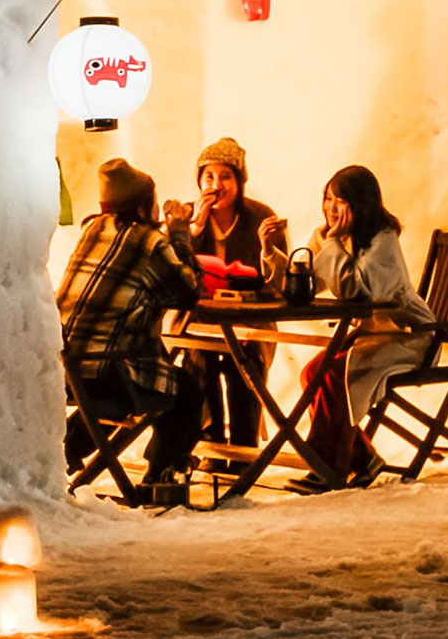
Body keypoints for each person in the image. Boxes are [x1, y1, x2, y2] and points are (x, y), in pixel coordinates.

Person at [58, 159, 204, 490]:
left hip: (67, 370)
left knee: (118, 384)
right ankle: (161, 476)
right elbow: (188, 292)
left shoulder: (93, 229)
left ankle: (66, 452)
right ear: (143, 205)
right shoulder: (149, 243)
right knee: (184, 390)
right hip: (110, 372)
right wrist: (180, 231)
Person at [298, 165, 434, 485]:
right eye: (328, 198)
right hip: (375, 336)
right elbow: (312, 283)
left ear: (360, 204)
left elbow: (359, 292)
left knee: (333, 374)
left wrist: (329, 242)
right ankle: (364, 457)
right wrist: (272, 254)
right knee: (312, 373)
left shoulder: (383, 241)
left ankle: (329, 465)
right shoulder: (341, 238)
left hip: (408, 338)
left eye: (340, 201)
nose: (331, 208)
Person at [166, 137, 288, 447]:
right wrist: (193, 230)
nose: (216, 185)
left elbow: (277, 283)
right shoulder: (188, 217)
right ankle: (211, 439)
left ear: (239, 182)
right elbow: (172, 272)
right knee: (198, 356)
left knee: (244, 360)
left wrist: (267, 247)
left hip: (250, 321)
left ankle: (243, 445)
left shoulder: (260, 217)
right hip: (200, 318)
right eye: (208, 176)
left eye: (225, 176)